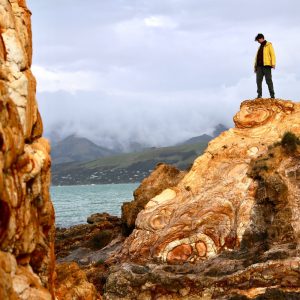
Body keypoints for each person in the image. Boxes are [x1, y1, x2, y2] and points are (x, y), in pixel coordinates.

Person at [254, 33, 276, 99]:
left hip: (267, 66)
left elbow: (272, 54)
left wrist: (273, 63)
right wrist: (255, 66)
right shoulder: (259, 47)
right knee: (258, 81)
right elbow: (256, 57)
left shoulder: (269, 45)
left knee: (268, 81)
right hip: (259, 67)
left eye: (258, 40)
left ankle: (272, 96)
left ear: (261, 38)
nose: (258, 42)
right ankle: (259, 95)